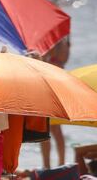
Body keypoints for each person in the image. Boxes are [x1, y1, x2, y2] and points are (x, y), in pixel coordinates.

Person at [40, 35, 70, 168]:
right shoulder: (63, 42)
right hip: (53, 85)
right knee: (50, 129)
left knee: (49, 128)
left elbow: (44, 62)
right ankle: (54, 164)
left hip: (52, 86)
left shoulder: (57, 42)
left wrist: (45, 54)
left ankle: (54, 164)